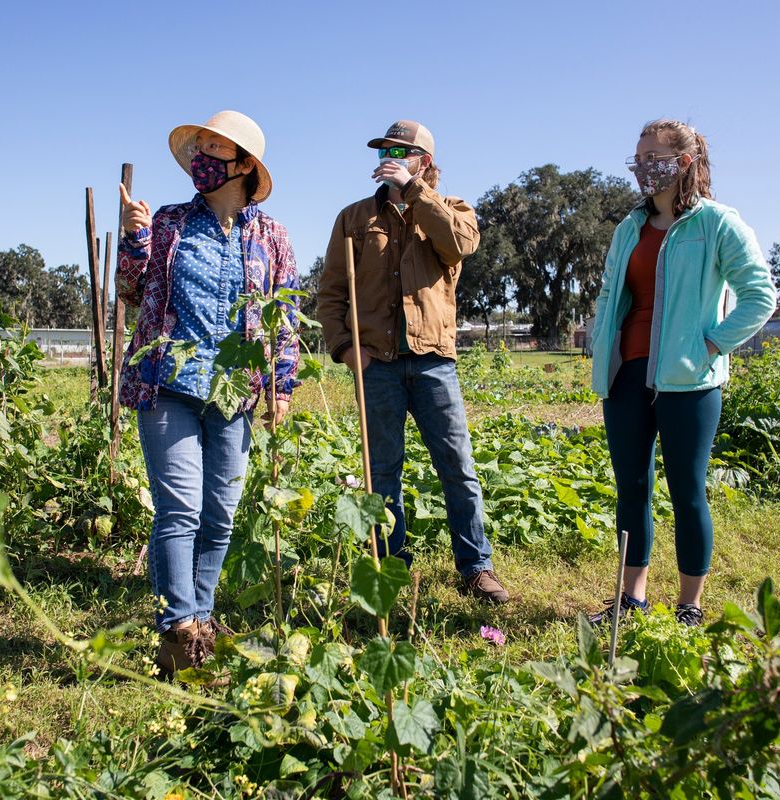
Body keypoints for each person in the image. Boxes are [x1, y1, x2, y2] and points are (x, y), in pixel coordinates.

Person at [116, 110, 300, 677]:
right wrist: (134, 238)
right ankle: (179, 630)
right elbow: (130, 292)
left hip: (236, 393)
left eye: (215, 149)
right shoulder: (168, 222)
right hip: (168, 382)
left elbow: (283, 314)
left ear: (244, 165)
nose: (202, 157)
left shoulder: (272, 236)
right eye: (200, 147)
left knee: (220, 514)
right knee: (181, 508)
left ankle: (202, 615)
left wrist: (282, 384)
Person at [588, 119, 776, 626]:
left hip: (689, 380)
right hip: (626, 371)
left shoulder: (716, 223)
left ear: (685, 162)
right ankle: (631, 597)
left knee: (687, 490)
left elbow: (761, 294)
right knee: (631, 487)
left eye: (654, 157)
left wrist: (711, 343)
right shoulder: (629, 227)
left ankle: (690, 604)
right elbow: (609, 291)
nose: (643, 167)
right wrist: (598, 339)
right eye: (638, 157)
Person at [317, 120, 508, 604]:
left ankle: (475, 566)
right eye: (385, 149)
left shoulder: (452, 210)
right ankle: (389, 566)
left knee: (457, 467)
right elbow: (332, 293)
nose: (389, 156)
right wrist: (345, 346)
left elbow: (460, 245)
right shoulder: (354, 218)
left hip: (433, 363)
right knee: (382, 472)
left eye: (401, 151)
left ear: (423, 159)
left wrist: (415, 192)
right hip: (376, 363)